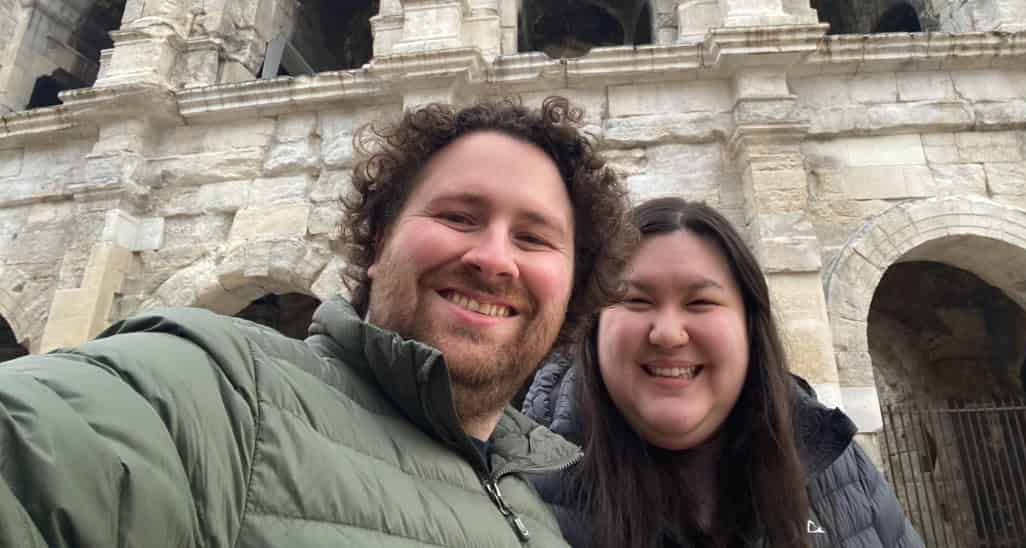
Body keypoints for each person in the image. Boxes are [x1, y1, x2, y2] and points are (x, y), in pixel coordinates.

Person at [0, 96, 637, 548]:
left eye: (534, 238)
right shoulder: (220, 393)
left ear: (575, 283)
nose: (494, 259)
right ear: (380, 236)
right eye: (458, 217)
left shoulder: (537, 509)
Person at [523, 197, 923, 548]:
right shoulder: (518, 493)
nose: (667, 333)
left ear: (749, 327)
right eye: (637, 300)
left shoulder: (838, 466)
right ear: (593, 330)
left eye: (700, 302)